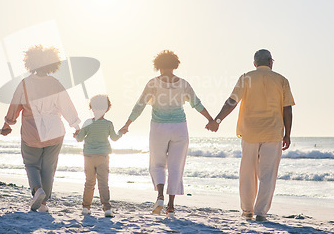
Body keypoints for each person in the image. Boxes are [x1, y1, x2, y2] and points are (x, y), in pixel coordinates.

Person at [119, 50, 215, 216]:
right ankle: (171, 206)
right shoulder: (183, 83)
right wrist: (211, 119)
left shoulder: (153, 83)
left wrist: (127, 124)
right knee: (176, 167)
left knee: (157, 164)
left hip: (159, 127)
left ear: (158, 66)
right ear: (175, 65)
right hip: (180, 128)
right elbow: (196, 104)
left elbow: (139, 105)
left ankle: (160, 195)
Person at [207, 49, 295, 221]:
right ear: (271, 62)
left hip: (249, 132)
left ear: (255, 64)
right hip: (273, 132)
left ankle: (247, 211)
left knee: (247, 172)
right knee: (267, 174)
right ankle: (261, 213)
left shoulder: (246, 77)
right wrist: (288, 134)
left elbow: (231, 101)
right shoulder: (282, 80)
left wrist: (217, 120)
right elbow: (287, 108)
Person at [3, 45, 80, 212]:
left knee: (31, 165)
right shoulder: (55, 84)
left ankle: (37, 190)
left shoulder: (24, 84)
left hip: (32, 133)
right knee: (49, 168)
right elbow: (67, 106)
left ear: (31, 63)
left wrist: (8, 122)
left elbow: (15, 106)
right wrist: (76, 126)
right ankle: (43, 204)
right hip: (54, 132)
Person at [75, 95, 122, 218]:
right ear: (107, 109)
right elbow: (114, 138)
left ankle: (86, 207)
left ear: (92, 108)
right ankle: (106, 208)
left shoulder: (87, 123)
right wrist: (122, 132)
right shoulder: (108, 124)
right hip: (103, 156)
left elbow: (79, 139)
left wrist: (76, 134)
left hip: (89, 157)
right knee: (103, 183)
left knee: (89, 183)